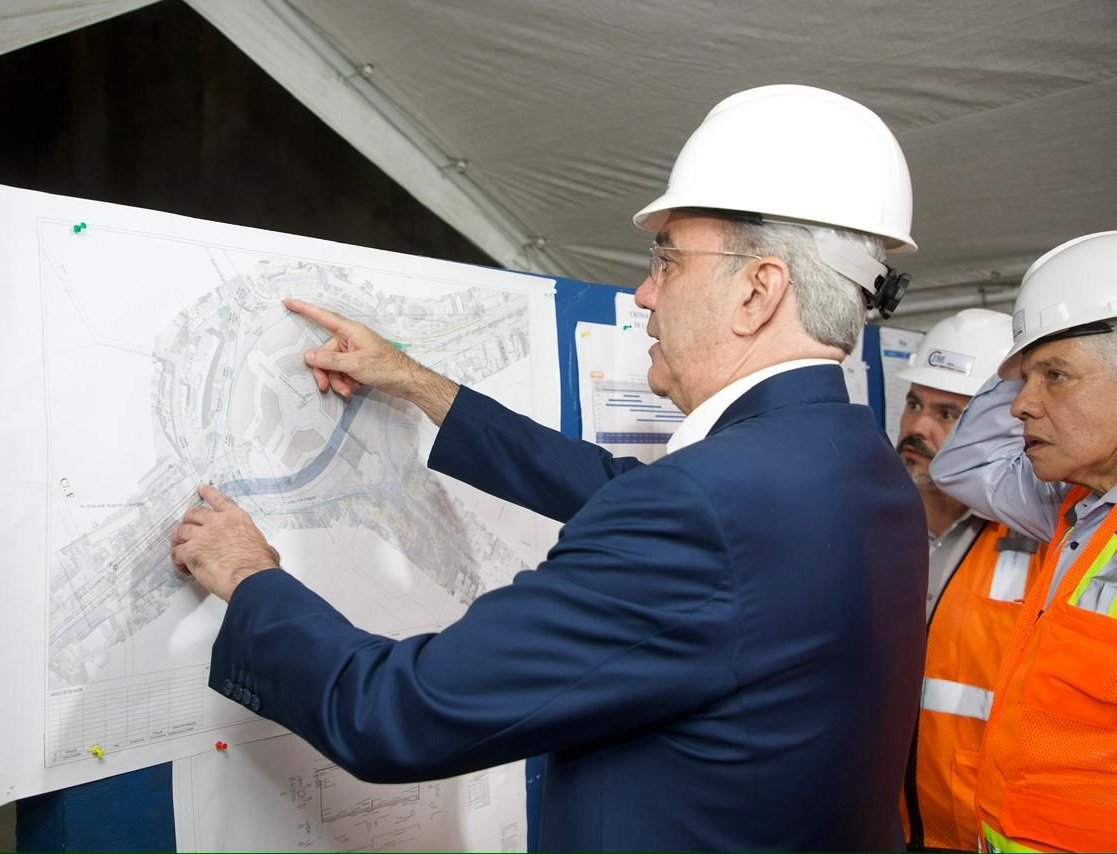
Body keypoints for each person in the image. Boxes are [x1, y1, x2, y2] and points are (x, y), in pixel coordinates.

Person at [170, 84, 927, 851]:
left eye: (666, 262)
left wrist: (250, 577)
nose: (643, 295)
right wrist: (418, 384)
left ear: (757, 291)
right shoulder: (860, 468)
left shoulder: (705, 506)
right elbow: (637, 505)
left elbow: (395, 715)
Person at [931, 231, 1117, 852]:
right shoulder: (1076, 511)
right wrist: (1026, 353)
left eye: (1055, 376)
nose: (1019, 406)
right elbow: (962, 466)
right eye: (1023, 379)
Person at [893, 309, 1045, 851]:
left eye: (948, 413)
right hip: (882, 825)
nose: (917, 429)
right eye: (915, 404)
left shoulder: (1046, 541)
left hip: (985, 830)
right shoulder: (870, 525)